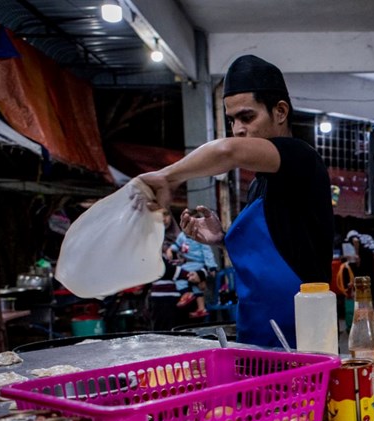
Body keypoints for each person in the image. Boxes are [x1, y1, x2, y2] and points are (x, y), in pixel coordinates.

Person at [136, 54, 335, 348]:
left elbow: (228, 152)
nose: (239, 129)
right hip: (255, 338)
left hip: (304, 342)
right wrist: (223, 239)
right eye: (232, 121)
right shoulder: (258, 184)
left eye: (247, 117)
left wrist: (167, 176)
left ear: (280, 111)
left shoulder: (302, 160)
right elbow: (283, 245)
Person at [171, 229, 219, 317]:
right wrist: (170, 250)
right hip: (187, 262)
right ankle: (201, 308)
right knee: (195, 285)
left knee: (179, 277)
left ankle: (186, 294)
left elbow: (208, 254)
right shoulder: (182, 236)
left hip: (197, 263)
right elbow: (176, 246)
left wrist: (211, 266)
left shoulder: (200, 238)